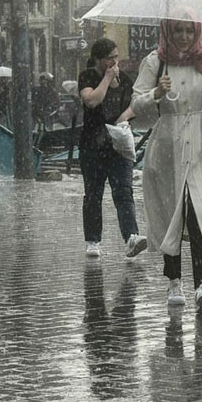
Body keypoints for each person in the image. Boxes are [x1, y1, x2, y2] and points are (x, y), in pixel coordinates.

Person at [131, 15, 202, 313]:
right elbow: (137, 102)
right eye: (177, 29)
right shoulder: (155, 61)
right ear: (167, 30)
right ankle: (174, 279)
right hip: (169, 143)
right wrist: (157, 93)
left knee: (201, 210)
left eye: (188, 29)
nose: (182, 35)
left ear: (196, 31)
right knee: (171, 210)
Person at [78, 38, 147, 260]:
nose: (114, 62)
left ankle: (131, 237)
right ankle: (93, 240)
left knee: (124, 192)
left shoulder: (126, 80)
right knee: (93, 193)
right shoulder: (88, 76)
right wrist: (107, 79)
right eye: (109, 58)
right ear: (98, 60)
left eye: (116, 57)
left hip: (118, 145)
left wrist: (123, 119)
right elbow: (91, 101)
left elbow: (133, 106)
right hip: (93, 144)